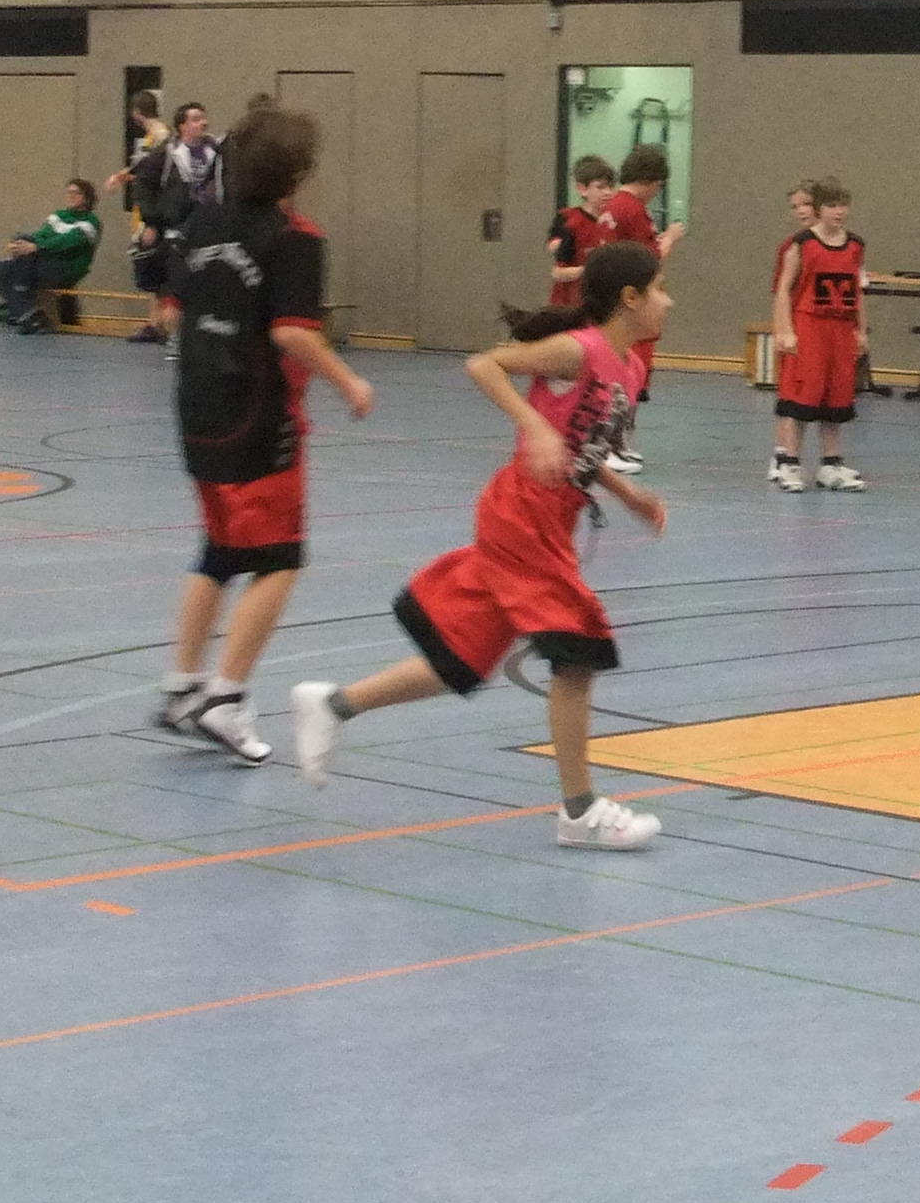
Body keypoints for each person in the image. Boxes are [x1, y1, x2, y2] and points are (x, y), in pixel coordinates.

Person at [289, 242, 668, 851]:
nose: (668, 302)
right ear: (630, 298)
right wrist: (533, 423)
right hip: (520, 515)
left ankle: (333, 705)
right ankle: (579, 811)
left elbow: (583, 447)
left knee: (461, 661)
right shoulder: (578, 350)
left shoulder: (631, 370)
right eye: (660, 289)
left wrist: (628, 494)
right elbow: (485, 365)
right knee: (578, 652)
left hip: (552, 523)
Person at [152, 107, 374, 763]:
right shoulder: (295, 238)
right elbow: (293, 333)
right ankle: (226, 697)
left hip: (197, 408)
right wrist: (349, 381)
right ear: (298, 172)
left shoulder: (202, 223)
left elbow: (169, 315)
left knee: (220, 552)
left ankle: (182, 686)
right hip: (259, 416)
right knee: (279, 558)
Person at [770, 179, 869, 493]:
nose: (839, 212)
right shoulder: (802, 244)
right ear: (819, 209)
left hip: (841, 328)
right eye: (831, 206)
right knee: (802, 396)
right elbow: (784, 289)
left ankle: (830, 463)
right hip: (809, 325)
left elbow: (858, 291)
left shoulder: (855, 245)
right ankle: (789, 462)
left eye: (843, 206)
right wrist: (786, 330)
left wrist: (861, 330)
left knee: (837, 395)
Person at [597, 144, 682, 472]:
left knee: (625, 374)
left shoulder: (613, 207)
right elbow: (647, 259)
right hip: (629, 307)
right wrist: (670, 238)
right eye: (658, 186)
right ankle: (609, 444)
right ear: (651, 181)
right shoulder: (632, 210)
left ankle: (618, 443)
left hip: (616, 300)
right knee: (625, 377)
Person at [137, 103, 223, 358]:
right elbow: (144, 184)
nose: (203, 123)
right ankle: (176, 338)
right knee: (176, 286)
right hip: (176, 229)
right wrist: (151, 221)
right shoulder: (167, 154)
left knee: (210, 284)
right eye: (195, 119)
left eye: (203, 118)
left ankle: (208, 338)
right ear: (182, 126)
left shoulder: (218, 152)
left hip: (211, 228)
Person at [0, 179, 100, 334]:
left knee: (20, 270)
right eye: (69, 192)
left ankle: (21, 306)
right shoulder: (58, 216)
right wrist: (21, 245)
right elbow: (40, 235)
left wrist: (37, 247)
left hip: (65, 268)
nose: (71, 196)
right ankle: (31, 315)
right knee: (0, 269)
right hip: (41, 261)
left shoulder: (91, 222)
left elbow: (67, 242)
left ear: (87, 197)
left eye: (76, 193)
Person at [108, 89, 170, 342]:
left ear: (136, 113)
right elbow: (141, 169)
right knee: (150, 268)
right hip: (143, 210)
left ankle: (160, 324)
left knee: (155, 268)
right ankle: (155, 323)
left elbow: (150, 171)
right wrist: (123, 176)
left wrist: (150, 220)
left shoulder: (160, 136)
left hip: (153, 212)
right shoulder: (150, 138)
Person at [547, 155, 616, 308]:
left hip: (598, 303)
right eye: (600, 187)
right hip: (570, 305)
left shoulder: (611, 223)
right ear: (582, 189)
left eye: (610, 187)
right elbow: (557, 272)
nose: (607, 192)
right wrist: (588, 270)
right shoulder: (571, 222)